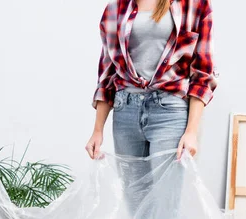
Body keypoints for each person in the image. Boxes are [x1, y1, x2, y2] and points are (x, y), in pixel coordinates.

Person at [85, 0, 217, 161]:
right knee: (132, 187)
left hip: (170, 112)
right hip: (125, 112)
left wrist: (191, 132)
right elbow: (108, 74)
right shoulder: (116, 7)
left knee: (167, 186)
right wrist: (97, 131)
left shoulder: (194, 4)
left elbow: (203, 72)